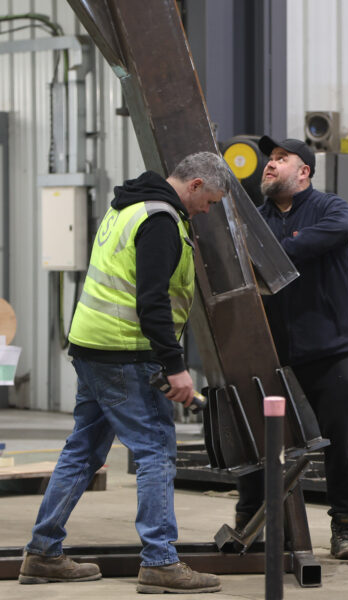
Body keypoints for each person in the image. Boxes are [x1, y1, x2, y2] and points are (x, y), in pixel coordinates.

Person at [19, 151, 231, 593]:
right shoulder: (160, 221)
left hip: (93, 345)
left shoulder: (129, 207)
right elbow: (151, 301)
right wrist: (175, 367)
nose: (206, 211)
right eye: (208, 201)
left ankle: (42, 553)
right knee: (155, 449)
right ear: (194, 185)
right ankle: (160, 562)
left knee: (83, 450)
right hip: (125, 352)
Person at [236, 136, 348, 559]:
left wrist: (271, 258)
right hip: (276, 357)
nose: (269, 165)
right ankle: (251, 523)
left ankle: (344, 527)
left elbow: (338, 232)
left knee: (343, 444)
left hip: (332, 351)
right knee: (258, 442)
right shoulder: (255, 219)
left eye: (280, 158)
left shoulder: (331, 209)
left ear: (304, 171)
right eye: (268, 159)